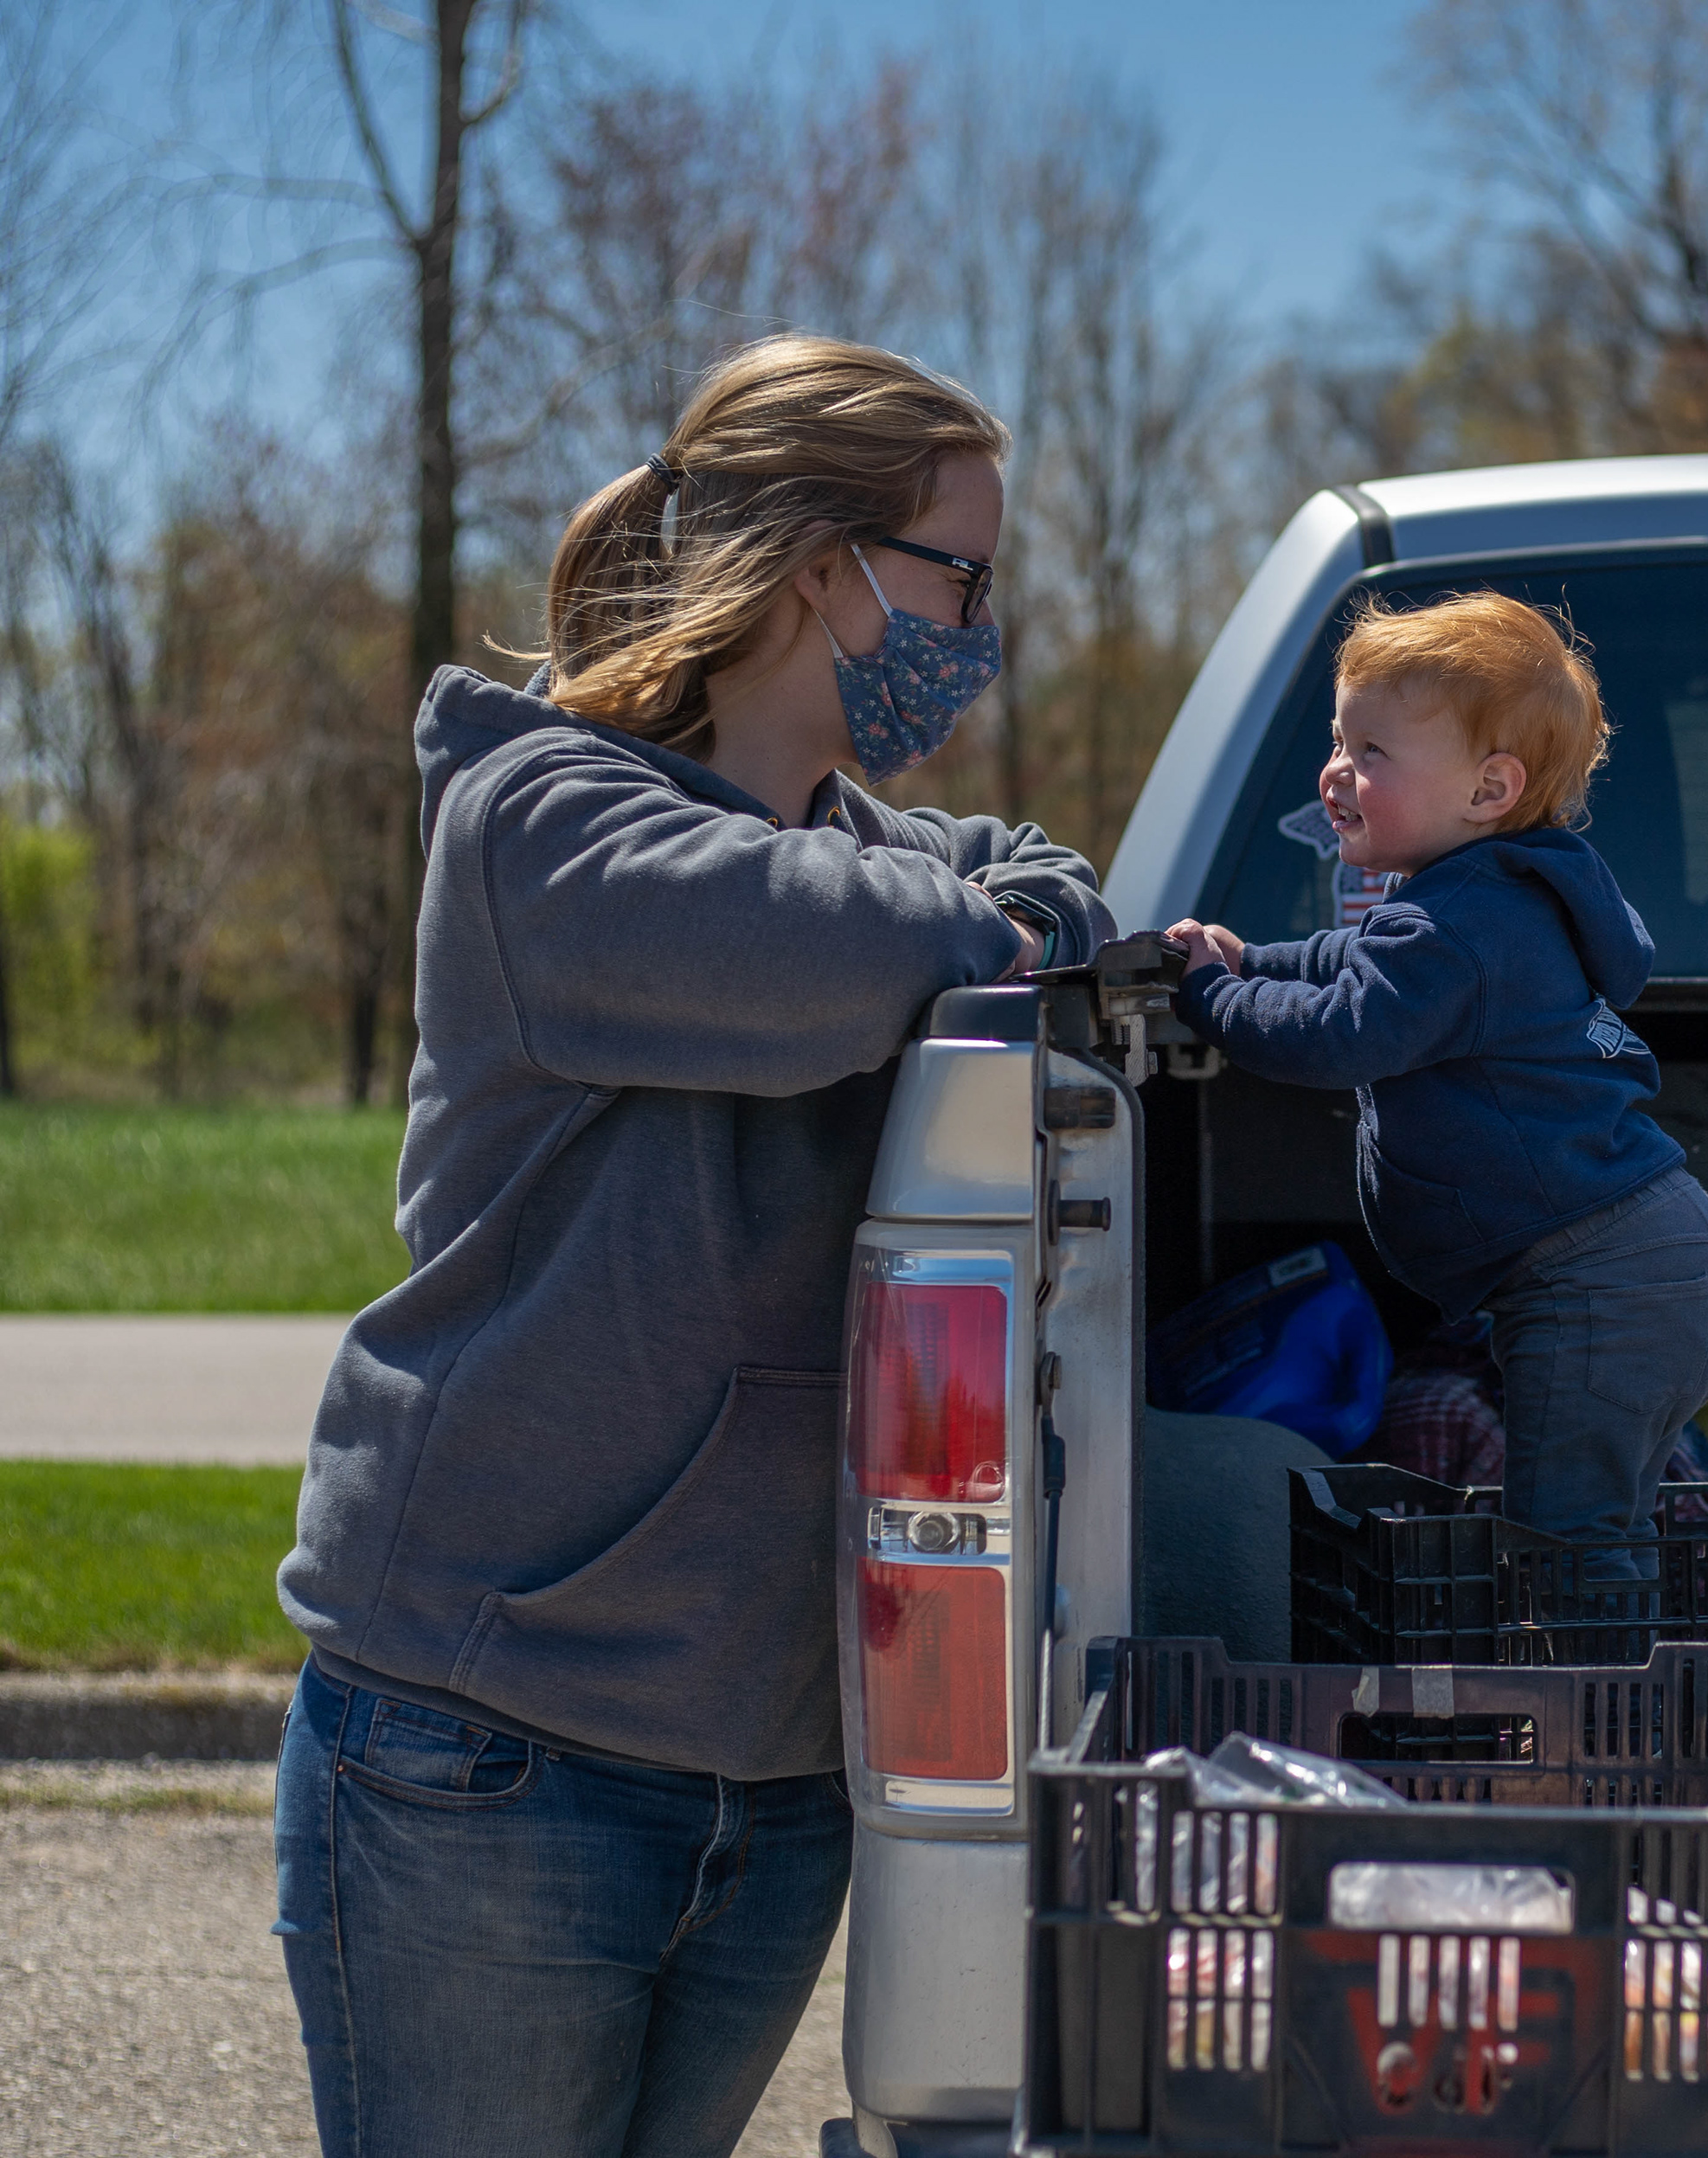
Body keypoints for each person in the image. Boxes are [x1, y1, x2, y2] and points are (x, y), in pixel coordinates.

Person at [272, 333, 1108, 2158]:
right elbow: (826, 952)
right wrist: (985, 918)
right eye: (962, 573)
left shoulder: (881, 850)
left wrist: (992, 906)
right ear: (826, 568)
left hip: (779, 1764)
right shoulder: (544, 823)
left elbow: (1034, 883)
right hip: (493, 1740)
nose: (982, 627)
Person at [1165, 591, 1708, 1576]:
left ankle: (1596, 1723)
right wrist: (1251, 960)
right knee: (1608, 1533)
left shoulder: (1458, 928)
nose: (1335, 773)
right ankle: (1629, 1705)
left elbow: (1340, 1032)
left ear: (1488, 791)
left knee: (1566, 1549)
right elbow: (1345, 961)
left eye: (1372, 754)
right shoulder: (1478, 901)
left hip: (1599, 1285)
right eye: (1339, 740)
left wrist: (1212, 997)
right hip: (1648, 1266)